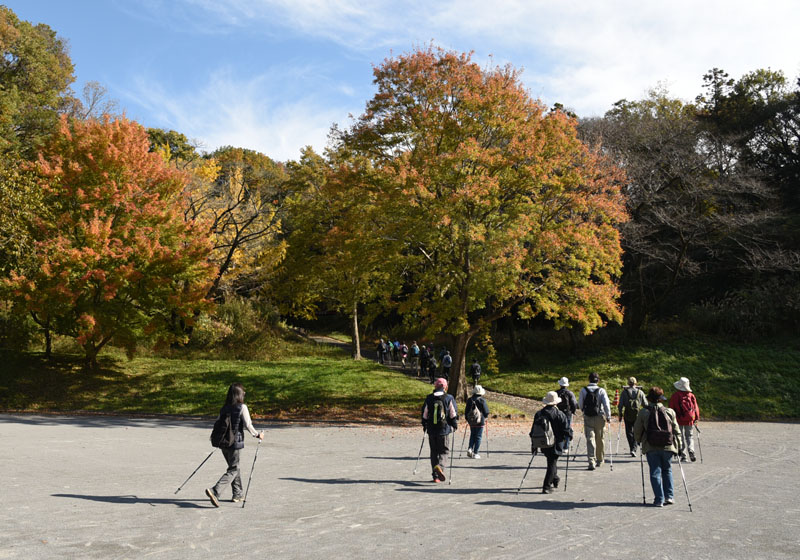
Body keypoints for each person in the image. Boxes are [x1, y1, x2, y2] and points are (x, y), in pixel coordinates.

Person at [205, 383, 264, 507]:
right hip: (235, 443)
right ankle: (215, 491)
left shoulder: (224, 408)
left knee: (234, 467)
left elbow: (217, 423)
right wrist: (258, 435)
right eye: (243, 392)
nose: (244, 393)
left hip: (223, 443)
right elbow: (248, 425)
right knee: (233, 469)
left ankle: (238, 494)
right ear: (239, 394)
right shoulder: (242, 407)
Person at [634, 386, 683, 507]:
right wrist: (679, 446)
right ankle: (669, 496)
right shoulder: (670, 412)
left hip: (651, 446)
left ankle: (659, 499)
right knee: (667, 470)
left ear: (649, 399)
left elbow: (637, 430)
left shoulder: (643, 412)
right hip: (668, 446)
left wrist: (639, 441)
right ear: (661, 398)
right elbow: (676, 431)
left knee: (655, 472)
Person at [530, 391, 571, 493]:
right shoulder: (559, 414)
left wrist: (534, 445)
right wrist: (569, 437)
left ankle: (555, 479)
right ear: (556, 402)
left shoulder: (539, 413)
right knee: (552, 463)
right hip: (556, 442)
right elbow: (566, 429)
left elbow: (533, 430)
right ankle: (546, 486)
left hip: (543, 442)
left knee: (551, 461)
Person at [421, 378, 458, 482]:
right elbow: (453, 414)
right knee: (444, 451)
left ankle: (435, 477)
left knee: (434, 452)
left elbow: (424, 414)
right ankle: (440, 467)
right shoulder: (449, 398)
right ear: (445, 387)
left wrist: (424, 425)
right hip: (443, 430)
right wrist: (454, 425)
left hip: (431, 430)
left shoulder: (429, 398)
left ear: (435, 386)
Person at [578, 372, 612, 470]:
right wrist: (608, 416)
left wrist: (584, 411)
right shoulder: (601, 390)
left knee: (590, 439)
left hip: (588, 417)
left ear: (589, 379)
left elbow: (580, 404)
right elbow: (606, 404)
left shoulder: (583, 390)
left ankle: (591, 461)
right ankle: (600, 460)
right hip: (600, 417)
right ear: (598, 380)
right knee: (600, 439)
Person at [668, 377, 700, 462]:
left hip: (678, 419)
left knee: (680, 436)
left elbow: (671, 408)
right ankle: (691, 450)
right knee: (689, 436)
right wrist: (696, 418)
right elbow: (696, 408)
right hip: (690, 419)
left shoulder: (675, 396)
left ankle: (683, 456)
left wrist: (670, 419)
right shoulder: (691, 395)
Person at [619, 376, 647, 457]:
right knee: (636, 431)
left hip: (627, 414)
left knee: (629, 431)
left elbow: (620, 405)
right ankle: (634, 448)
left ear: (628, 383)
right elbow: (645, 404)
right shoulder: (640, 392)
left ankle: (632, 448)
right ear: (636, 383)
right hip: (637, 415)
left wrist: (620, 414)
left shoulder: (624, 392)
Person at [464, 385, 490, 458]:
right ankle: (476, 453)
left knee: (472, 435)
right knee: (478, 436)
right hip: (480, 421)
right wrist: (486, 416)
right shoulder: (482, 400)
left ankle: (470, 448)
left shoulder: (469, 400)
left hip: (471, 421)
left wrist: (467, 419)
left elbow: (466, 411)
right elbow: (486, 411)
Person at [555, 377, 578, 452]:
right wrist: (573, 411)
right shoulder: (570, 393)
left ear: (560, 384)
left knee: (558, 428)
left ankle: (559, 445)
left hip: (558, 413)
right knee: (567, 428)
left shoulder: (556, 393)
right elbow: (574, 403)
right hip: (567, 413)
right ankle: (566, 446)